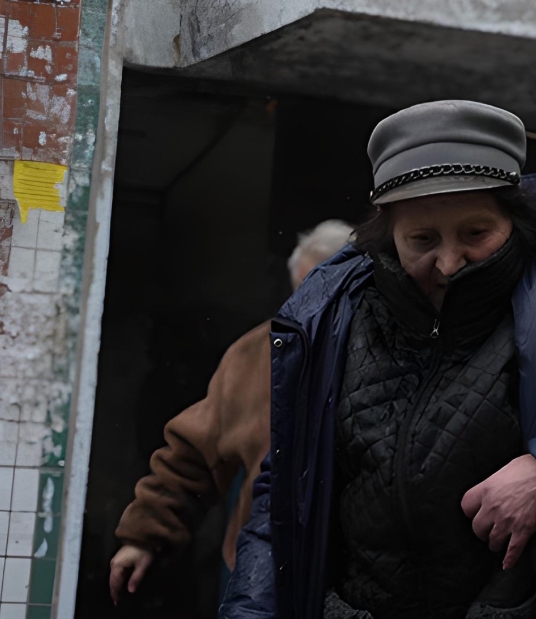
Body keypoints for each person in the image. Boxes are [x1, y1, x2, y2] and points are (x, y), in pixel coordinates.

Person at [220, 100, 536, 619]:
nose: (448, 263)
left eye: (475, 233)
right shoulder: (334, 317)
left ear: (514, 219)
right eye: (422, 239)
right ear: (387, 233)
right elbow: (284, 499)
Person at [109, 220, 354, 605]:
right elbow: (193, 453)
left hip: (354, 577)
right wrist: (144, 536)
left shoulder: (384, 352)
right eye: (306, 288)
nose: (316, 304)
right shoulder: (253, 354)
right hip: (260, 573)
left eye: (331, 288)